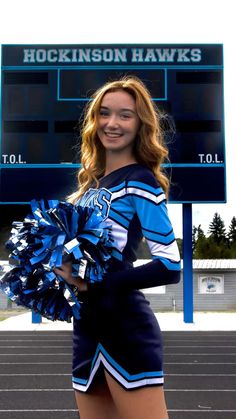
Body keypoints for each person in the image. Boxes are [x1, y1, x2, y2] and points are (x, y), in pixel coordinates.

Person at [54, 76, 181, 419]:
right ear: (94, 122)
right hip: (87, 327)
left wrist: (96, 284)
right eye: (104, 114)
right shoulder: (89, 188)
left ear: (141, 124)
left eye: (125, 115)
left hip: (125, 328)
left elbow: (170, 265)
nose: (112, 123)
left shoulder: (141, 182)